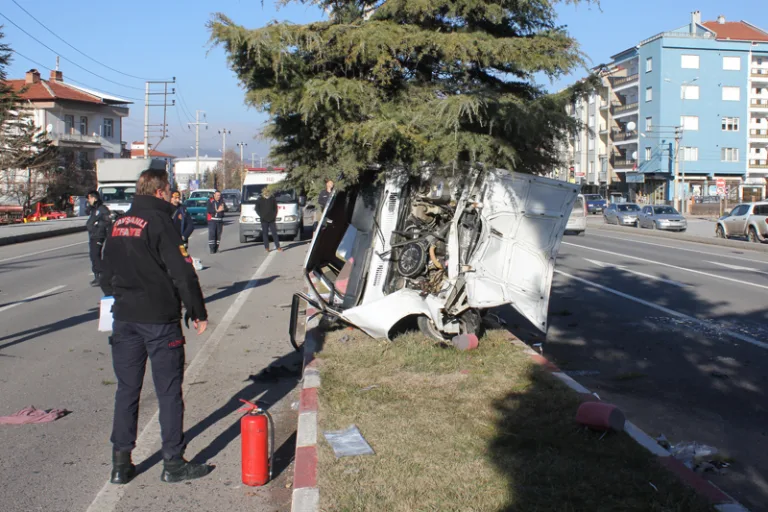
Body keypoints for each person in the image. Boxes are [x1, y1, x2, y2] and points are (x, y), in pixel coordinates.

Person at [99, 168, 211, 485]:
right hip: (159, 320)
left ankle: (121, 464)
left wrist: (121, 295)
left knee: (127, 391)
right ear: (161, 191)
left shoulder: (119, 223)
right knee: (168, 392)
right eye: (169, 192)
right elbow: (183, 271)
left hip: (124, 319)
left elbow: (105, 272)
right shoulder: (161, 222)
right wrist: (197, 310)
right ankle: (173, 462)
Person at [86, 191, 111, 286]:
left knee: (96, 255)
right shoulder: (94, 209)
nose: (89, 200)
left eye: (90, 198)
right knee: (93, 255)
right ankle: (97, 276)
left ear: (94, 198)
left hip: (99, 235)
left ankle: (103, 276)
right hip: (93, 235)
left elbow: (107, 220)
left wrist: (98, 226)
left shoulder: (102, 209)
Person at [255, 188, 282, 252]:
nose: (266, 193)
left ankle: (278, 247)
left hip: (272, 219)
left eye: (267, 192)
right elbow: (257, 209)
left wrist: (274, 215)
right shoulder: (259, 199)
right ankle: (266, 248)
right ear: (263, 193)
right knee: (265, 234)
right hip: (264, 219)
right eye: (265, 192)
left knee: (274, 233)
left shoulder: (272, 199)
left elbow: (275, 209)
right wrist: (261, 215)